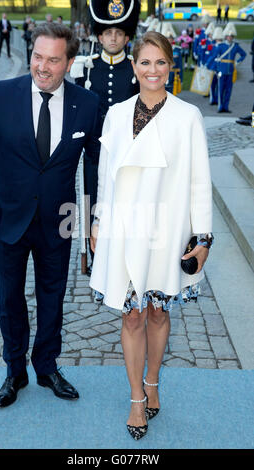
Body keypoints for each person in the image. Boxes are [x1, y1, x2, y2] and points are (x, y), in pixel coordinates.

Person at [90, 31, 213, 440]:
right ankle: (136, 399)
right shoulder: (116, 114)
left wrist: (203, 238)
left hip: (166, 231)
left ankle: (154, 382)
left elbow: (199, 181)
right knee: (132, 314)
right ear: (133, 66)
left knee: (159, 311)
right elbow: (106, 176)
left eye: (161, 62)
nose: (152, 70)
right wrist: (97, 221)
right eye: (145, 62)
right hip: (125, 231)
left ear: (171, 65)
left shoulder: (187, 117)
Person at [0, 22, 101, 408]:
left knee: (52, 295)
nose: (42, 67)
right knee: (9, 297)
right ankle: (15, 372)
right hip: (7, 217)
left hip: (58, 219)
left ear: (70, 62)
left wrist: (95, 219)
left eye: (53, 60)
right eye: (37, 56)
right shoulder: (2, 94)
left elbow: (95, 168)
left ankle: (46, 366)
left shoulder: (87, 104)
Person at [71, 0, 140, 280]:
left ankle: (123, 250)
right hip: (93, 151)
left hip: (127, 152)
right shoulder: (86, 68)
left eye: (119, 33)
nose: (113, 37)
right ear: (99, 36)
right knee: (92, 199)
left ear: (127, 37)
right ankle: (94, 248)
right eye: (107, 32)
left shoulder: (136, 70)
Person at [211, 23, 246, 113]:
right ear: (225, 36)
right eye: (228, 36)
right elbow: (215, 58)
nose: (230, 37)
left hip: (230, 71)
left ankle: (226, 107)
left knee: (228, 90)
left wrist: (237, 62)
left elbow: (243, 54)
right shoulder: (221, 46)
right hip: (221, 71)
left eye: (231, 36)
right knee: (220, 89)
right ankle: (220, 107)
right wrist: (216, 69)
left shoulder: (235, 46)